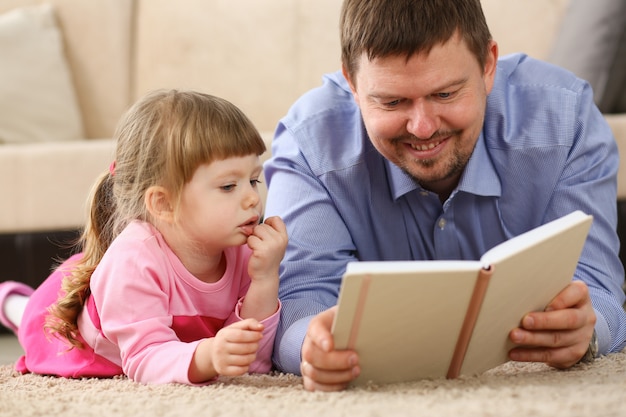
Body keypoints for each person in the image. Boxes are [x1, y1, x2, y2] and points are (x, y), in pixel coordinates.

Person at [263, 0, 626, 391]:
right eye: (392, 101)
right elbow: (298, 298)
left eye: (446, 94)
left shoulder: (567, 120)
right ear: (352, 82)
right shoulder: (309, 145)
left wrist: (586, 331)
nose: (422, 128)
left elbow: (598, 289)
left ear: (488, 65)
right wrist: (312, 347)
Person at [0, 89, 288, 385]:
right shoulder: (134, 260)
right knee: (33, 318)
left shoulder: (242, 249)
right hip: (73, 328)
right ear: (163, 203)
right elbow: (146, 358)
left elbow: (253, 361)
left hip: (116, 288)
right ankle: (9, 302)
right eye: (229, 186)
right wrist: (207, 354)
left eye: (254, 180)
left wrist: (265, 278)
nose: (253, 198)